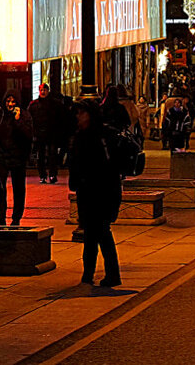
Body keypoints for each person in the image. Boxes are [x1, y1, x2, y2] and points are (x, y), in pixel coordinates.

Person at [69, 100, 122, 287]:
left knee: (100, 233)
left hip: (99, 193)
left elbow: (97, 167)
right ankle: (89, 274)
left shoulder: (94, 137)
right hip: (93, 193)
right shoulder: (90, 135)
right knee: (92, 235)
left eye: (81, 113)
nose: (78, 117)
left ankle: (110, 274)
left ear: (90, 115)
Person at [0, 92, 33, 226]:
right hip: (0, 156)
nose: (10, 104)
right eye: (8, 101)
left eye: (13, 101)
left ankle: (16, 217)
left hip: (18, 157)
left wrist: (18, 120)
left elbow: (28, 135)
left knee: (18, 188)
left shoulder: (24, 116)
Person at [29, 83, 62, 184]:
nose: (43, 92)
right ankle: (43, 175)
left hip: (51, 133)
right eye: (41, 90)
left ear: (48, 91)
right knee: (41, 156)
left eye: (44, 90)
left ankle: (52, 174)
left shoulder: (54, 104)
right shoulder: (34, 105)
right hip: (39, 133)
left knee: (52, 155)